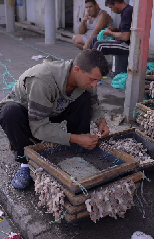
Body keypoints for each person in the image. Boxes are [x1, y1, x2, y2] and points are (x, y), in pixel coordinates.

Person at [0, 49, 110, 189]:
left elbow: (94, 101)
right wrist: (74, 137)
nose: (94, 85)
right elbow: (38, 128)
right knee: (9, 112)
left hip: (52, 110)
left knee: (85, 97)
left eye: (98, 81)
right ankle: (25, 162)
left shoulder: (84, 80)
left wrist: (101, 121)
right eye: (92, 79)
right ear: (77, 69)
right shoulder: (42, 81)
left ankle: (79, 148)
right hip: (28, 116)